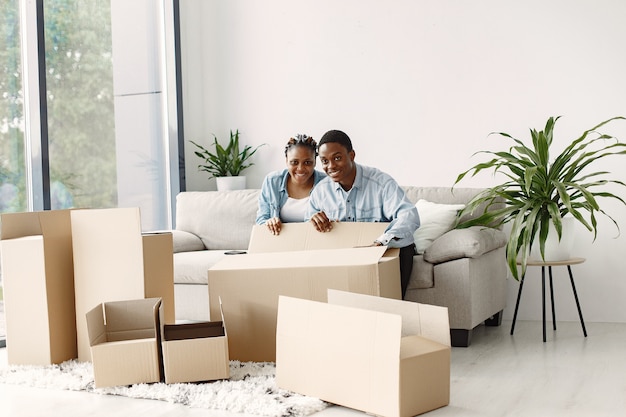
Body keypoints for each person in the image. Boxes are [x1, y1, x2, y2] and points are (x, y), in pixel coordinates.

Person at [305, 129, 420, 298]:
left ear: (351, 155)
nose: (331, 166)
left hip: (384, 251)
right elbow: (307, 231)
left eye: (337, 158)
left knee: (404, 249)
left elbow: (409, 216)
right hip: (345, 255)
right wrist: (313, 220)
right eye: (324, 161)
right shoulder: (320, 192)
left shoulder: (381, 183)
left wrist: (380, 243)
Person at [256, 134, 326, 235]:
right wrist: (268, 223)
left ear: (315, 162)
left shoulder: (326, 183)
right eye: (294, 162)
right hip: (280, 243)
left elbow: (337, 220)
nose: (300, 168)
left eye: (307, 162)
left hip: (314, 242)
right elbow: (260, 221)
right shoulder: (272, 181)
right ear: (286, 161)